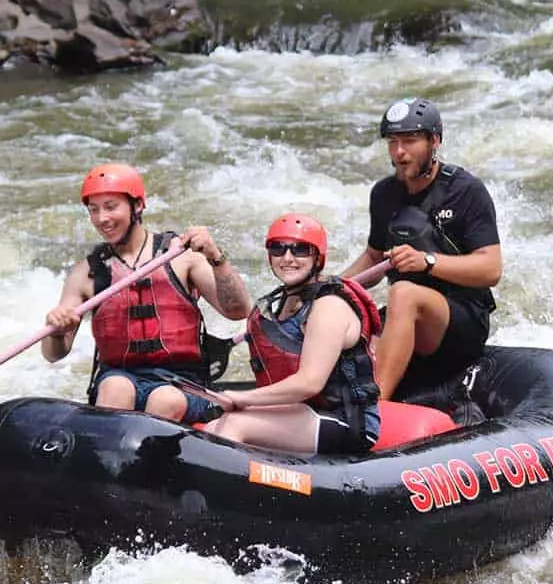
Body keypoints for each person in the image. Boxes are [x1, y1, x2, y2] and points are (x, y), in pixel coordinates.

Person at [41, 163, 252, 423]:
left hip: (182, 383)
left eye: (110, 206)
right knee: (114, 389)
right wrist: (57, 328)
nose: (101, 219)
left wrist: (216, 257)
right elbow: (54, 353)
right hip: (117, 377)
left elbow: (238, 310)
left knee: (165, 400)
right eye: (93, 210)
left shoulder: (182, 256)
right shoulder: (85, 273)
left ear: (138, 205)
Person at [340, 97, 502, 400]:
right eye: (393, 142)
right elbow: (374, 257)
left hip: (461, 318)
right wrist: (331, 289)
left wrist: (426, 261)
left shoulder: (466, 191)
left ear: (435, 141)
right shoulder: (384, 194)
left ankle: (377, 409)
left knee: (403, 293)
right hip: (407, 314)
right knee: (341, 315)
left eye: (410, 141)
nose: (399, 152)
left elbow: (491, 269)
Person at [205, 214, 382, 454]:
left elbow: (310, 382)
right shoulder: (283, 303)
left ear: (318, 257)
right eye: (278, 249)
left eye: (300, 250)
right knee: (212, 427)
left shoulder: (329, 305)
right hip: (303, 412)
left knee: (234, 425)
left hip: (346, 421)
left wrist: (244, 398)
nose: (287, 258)